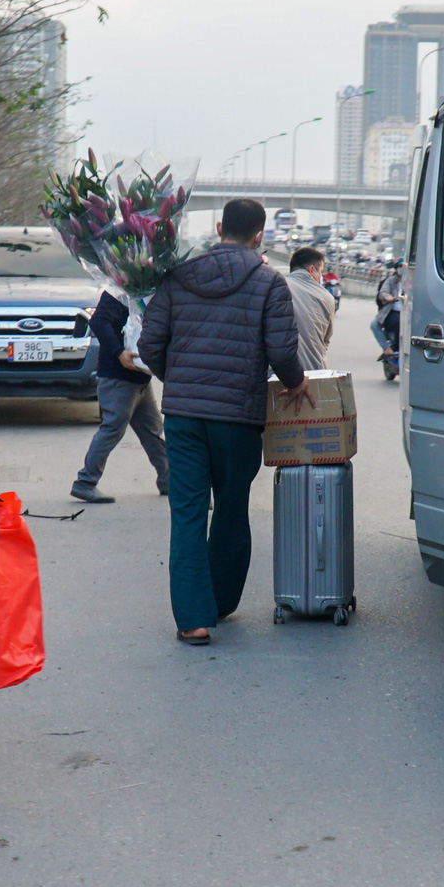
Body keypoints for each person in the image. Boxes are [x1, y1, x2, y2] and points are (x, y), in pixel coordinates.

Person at [140, 198, 306, 646]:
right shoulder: (270, 282)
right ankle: (221, 599)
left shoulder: (176, 278)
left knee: (188, 512)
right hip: (237, 418)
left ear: (218, 228)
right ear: (259, 236)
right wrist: (295, 384)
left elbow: (150, 342)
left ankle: (193, 619)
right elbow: (283, 352)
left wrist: (178, 380)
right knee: (231, 507)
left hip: (184, 417)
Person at [69, 292, 169, 504]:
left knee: (152, 431)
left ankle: (169, 481)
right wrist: (119, 352)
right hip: (117, 376)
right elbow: (98, 321)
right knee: (112, 428)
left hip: (139, 377)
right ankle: (85, 482)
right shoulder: (120, 292)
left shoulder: (145, 291)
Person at [285, 246, 335, 371]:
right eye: (321, 272)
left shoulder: (276, 286)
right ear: (312, 269)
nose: (321, 277)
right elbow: (326, 339)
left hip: (277, 372)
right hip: (314, 372)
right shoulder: (326, 297)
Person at [371, 265, 404, 374]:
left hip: (408, 312)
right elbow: (383, 293)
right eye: (400, 267)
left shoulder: (412, 281)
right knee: (374, 325)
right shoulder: (390, 281)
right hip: (391, 311)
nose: (402, 269)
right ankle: (387, 348)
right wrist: (387, 297)